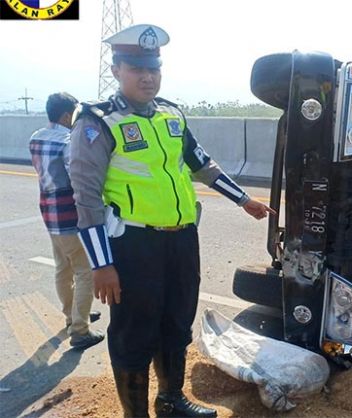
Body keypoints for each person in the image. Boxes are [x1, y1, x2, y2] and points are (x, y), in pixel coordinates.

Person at [70, 24, 275, 418]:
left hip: (181, 240)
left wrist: (244, 200)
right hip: (133, 246)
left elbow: (202, 164)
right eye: (136, 69)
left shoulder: (171, 114)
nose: (148, 77)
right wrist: (102, 265)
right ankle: (136, 414)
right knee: (134, 331)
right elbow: (87, 199)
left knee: (176, 321)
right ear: (116, 71)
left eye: (154, 69)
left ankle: (170, 400)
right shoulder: (97, 122)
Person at [29, 92, 105, 349]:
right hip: (69, 214)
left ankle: (71, 315)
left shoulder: (35, 138)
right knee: (84, 271)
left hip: (49, 214)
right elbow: (79, 180)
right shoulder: (68, 141)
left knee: (63, 268)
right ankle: (80, 330)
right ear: (65, 116)